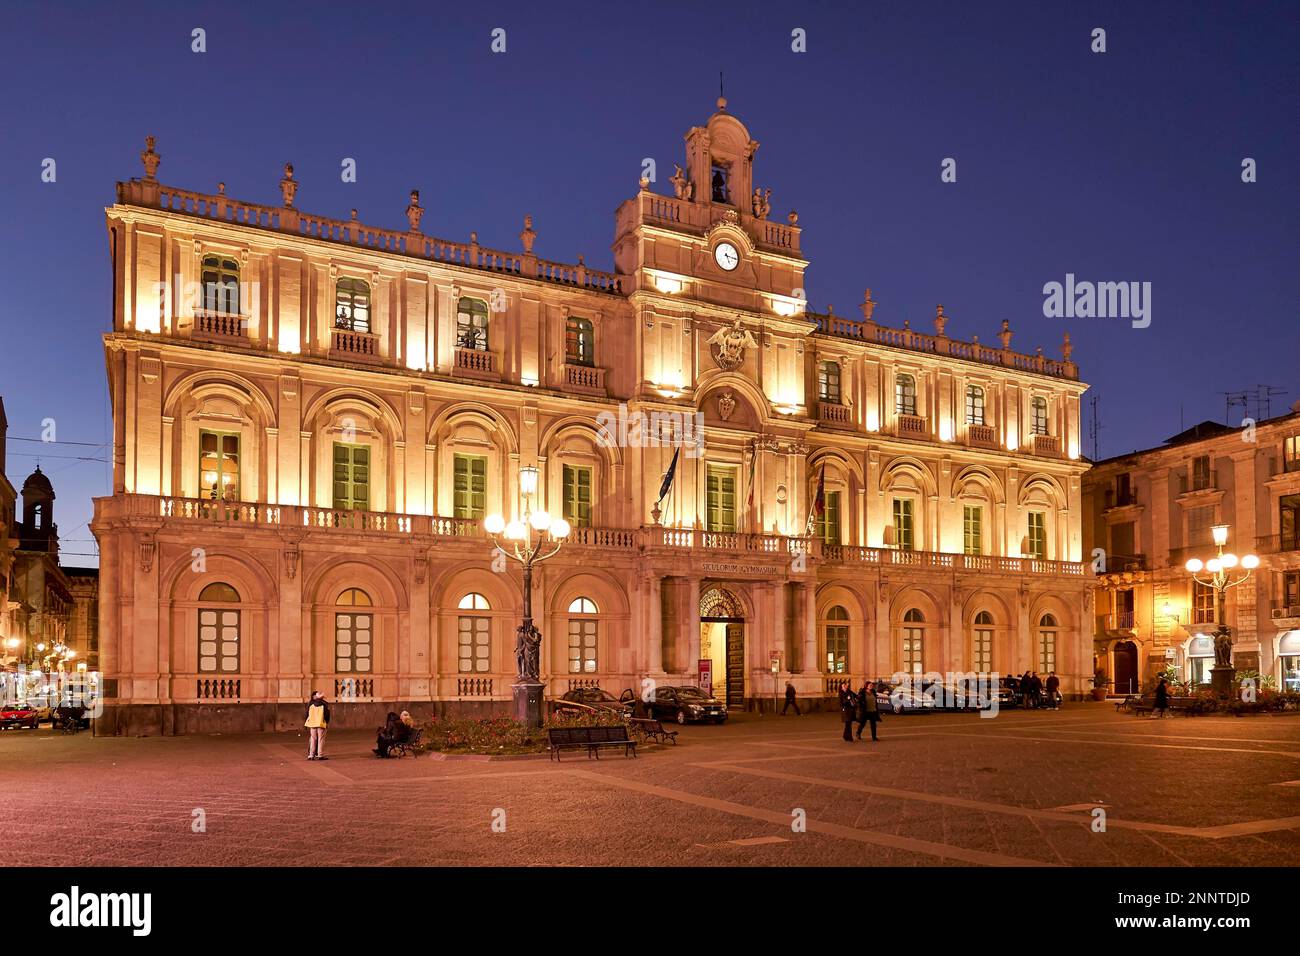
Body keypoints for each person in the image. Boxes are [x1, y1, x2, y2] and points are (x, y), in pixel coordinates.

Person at [304, 691, 330, 760]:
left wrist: (307, 721)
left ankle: (311, 755)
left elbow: (307, 714)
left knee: (313, 739)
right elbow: (327, 715)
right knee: (321, 740)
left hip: (312, 723)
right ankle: (320, 754)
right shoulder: (324, 704)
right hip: (321, 723)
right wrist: (326, 722)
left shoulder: (311, 704)